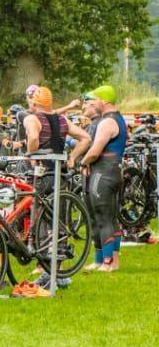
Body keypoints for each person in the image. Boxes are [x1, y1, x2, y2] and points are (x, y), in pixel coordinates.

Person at [74, 85, 127, 271]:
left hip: (103, 174)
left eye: (94, 99)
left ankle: (107, 263)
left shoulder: (107, 122)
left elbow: (95, 151)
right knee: (109, 218)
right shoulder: (117, 119)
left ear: (104, 101)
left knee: (103, 217)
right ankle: (105, 260)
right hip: (111, 172)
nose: (91, 103)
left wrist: (82, 163)